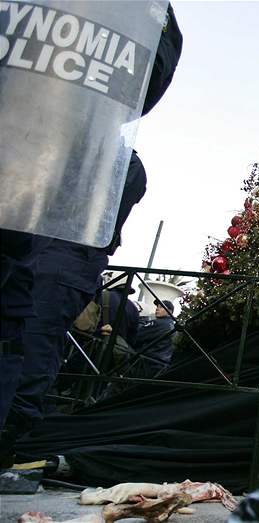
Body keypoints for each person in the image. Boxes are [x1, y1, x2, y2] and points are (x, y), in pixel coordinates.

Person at [0, 4, 182, 468]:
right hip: (29, 226)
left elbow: (148, 71)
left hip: (63, 252)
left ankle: (9, 444)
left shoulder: (121, 165)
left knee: (29, 342)